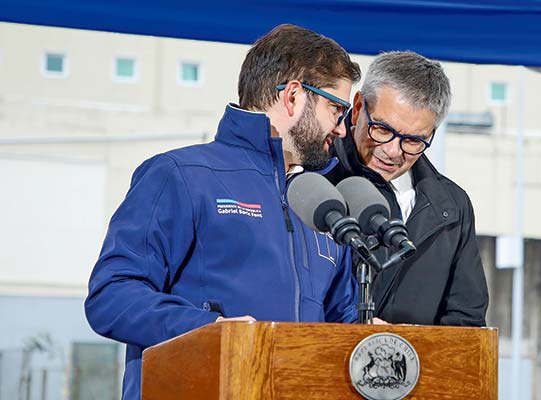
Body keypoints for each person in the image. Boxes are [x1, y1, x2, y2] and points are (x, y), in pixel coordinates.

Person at [85, 24, 362, 400]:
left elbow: (338, 320)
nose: (343, 129)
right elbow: (112, 296)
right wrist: (211, 330)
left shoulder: (322, 202)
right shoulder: (181, 175)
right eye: (336, 108)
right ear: (294, 96)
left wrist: (369, 335)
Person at [325, 51, 488, 326]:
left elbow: (466, 324)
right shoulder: (315, 184)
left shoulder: (452, 208)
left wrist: (407, 348)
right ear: (357, 106)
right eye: (382, 129)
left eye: (413, 141)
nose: (391, 151)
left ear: (432, 133)